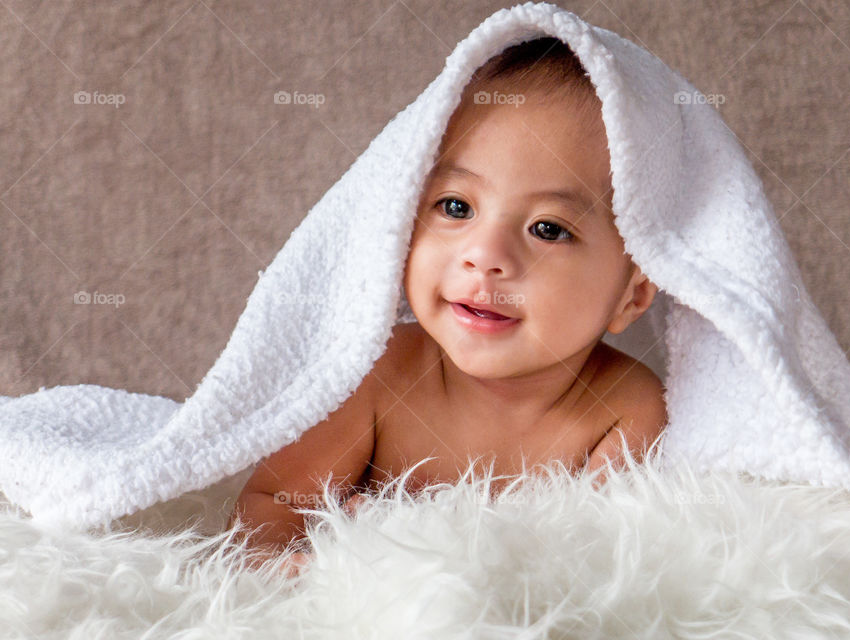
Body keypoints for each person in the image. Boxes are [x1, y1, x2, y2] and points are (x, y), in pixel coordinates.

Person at [226, 37, 668, 577]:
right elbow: (273, 500)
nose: (484, 257)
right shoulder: (374, 375)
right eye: (456, 207)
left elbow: (606, 569)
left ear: (632, 295)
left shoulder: (627, 409)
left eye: (548, 229)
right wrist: (281, 571)